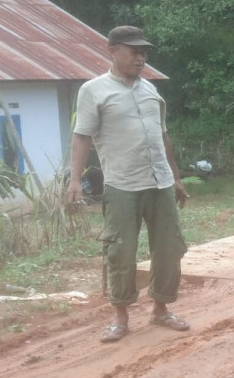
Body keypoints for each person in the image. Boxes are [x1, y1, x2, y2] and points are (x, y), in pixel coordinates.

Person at [66, 26, 191, 343]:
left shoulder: (150, 90)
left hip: (159, 182)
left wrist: (175, 177)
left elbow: (163, 136)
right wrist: (75, 181)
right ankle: (120, 317)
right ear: (112, 51)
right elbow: (81, 137)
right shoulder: (94, 91)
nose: (140, 57)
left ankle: (161, 309)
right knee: (121, 251)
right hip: (122, 184)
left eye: (143, 52)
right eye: (133, 51)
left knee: (168, 248)